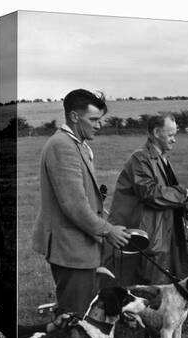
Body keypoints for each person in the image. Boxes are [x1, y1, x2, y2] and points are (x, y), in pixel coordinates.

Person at [32, 89, 130, 317]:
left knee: (84, 308)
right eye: (93, 120)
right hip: (70, 246)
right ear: (75, 117)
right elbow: (74, 205)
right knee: (74, 314)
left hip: (79, 244)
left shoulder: (77, 144)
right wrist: (108, 231)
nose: (98, 125)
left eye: (100, 120)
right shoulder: (62, 146)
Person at [105, 113, 188, 285]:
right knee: (144, 287)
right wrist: (182, 195)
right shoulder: (140, 158)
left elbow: (166, 195)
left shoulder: (161, 159)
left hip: (162, 232)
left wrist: (185, 207)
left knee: (161, 284)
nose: (174, 140)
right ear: (156, 132)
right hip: (146, 234)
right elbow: (150, 193)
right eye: (170, 135)